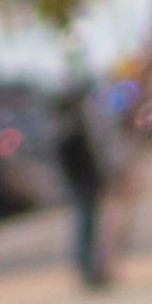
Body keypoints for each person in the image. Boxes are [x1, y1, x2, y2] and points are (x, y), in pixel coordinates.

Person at [59, 88, 112, 290]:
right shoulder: (70, 133)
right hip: (82, 187)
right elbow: (75, 165)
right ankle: (87, 270)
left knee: (89, 229)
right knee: (85, 230)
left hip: (84, 186)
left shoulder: (76, 130)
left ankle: (91, 269)